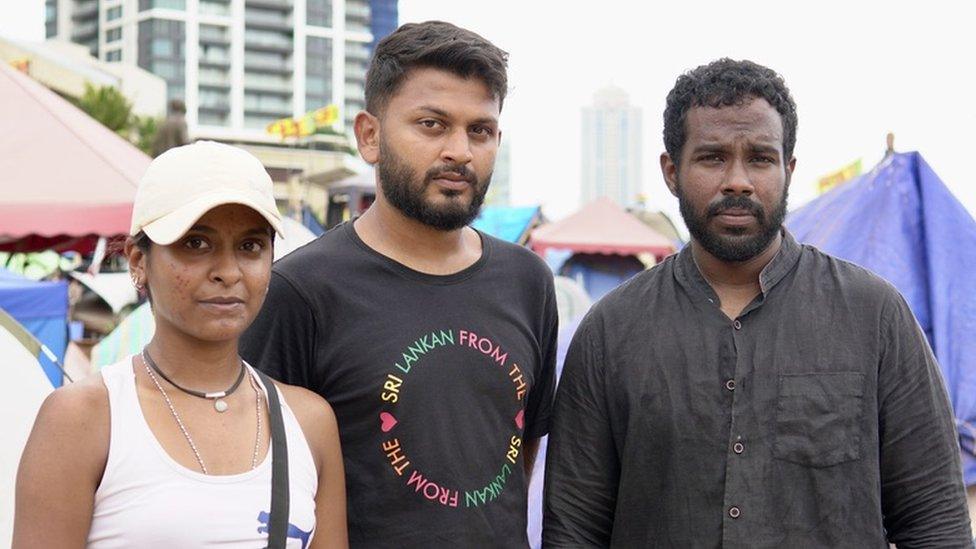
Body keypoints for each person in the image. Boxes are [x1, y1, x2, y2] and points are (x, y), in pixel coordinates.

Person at [543, 58, 972, 547]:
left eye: (761, 159)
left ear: (788, 170)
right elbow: (574, 528)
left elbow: (935, 522)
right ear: (671, 171)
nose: (738, 181)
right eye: (712, 157)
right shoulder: (611, 330)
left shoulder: (874, 316)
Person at [240, 21, 557, 548]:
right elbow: (264, 479)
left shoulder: (527, 281)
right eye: (432, 125)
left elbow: (519, 452)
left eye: (479, 130)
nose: (460, 150)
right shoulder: (300, 291)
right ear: (370, 136)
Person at [14, 141, 348, 548]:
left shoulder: (309, 421)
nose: (227, 271)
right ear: (139, 261)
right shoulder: (84, 419)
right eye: (195, 243)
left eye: (250, 246)